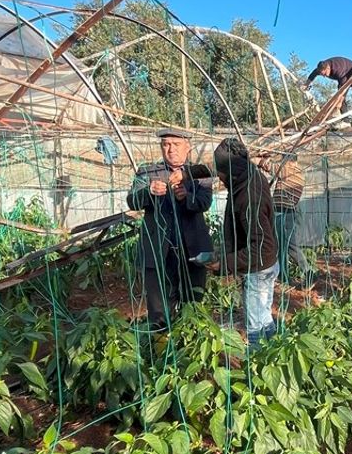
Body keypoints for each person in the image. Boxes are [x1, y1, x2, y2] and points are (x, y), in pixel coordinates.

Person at [126, 128, 213, 333]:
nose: (170, 149)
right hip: (158, 250)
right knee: (158, 308)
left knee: (193, 303)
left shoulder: (199, 174)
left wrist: (187, 197)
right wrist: (148, 191)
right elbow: (132, 200)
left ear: (187, 148)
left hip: (192, 250)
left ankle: (190, 344)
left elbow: (205, 202)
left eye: (176, 144)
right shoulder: (147, 172)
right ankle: (160, 346)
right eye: (166, 144)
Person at [208, 138, 280, 348]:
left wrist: (224, 263)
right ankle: (276, 352)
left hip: (259, 270)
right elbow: (212, 168)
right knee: (264, 318)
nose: (219, 178)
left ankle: (258, 370)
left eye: (220, 173)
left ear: (229, 172)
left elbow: (262, 247)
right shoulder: (248, 174)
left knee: (255, 327)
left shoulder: (249, 197)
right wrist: (188, 173)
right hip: (266, 266)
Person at [255, 151, 311, 288]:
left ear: (289, 161)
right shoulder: (299, 173)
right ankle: (298, 273)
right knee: (288, 245)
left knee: (283, 246)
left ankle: (296, 274)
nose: (282, 162)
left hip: (283, 212)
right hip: (288, 213)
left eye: (283, 160)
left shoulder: (289, 169)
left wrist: (261, 158)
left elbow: (267, 166)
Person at [304, 56, 352, 130]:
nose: (324, 76)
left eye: (324, 74)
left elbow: (343, 88)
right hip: (343, 76)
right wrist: (306, 84)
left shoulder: (337, 69)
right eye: (322, 75)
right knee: (341, 99)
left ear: (328, 68)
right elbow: (312, 75)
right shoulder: (320, 68)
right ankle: (346, 121)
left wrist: (339, 102)